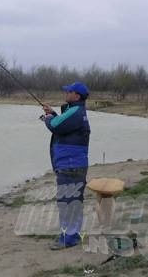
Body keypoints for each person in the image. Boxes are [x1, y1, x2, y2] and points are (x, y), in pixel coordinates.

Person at [42, 82, 90, 250]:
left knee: (67, 201)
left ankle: (68, 239)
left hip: (70, 165)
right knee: (74, 200)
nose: (66, 93)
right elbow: (63, 126)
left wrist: (48, 118)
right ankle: (73, 235)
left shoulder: (75, 112)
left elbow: (55, 126)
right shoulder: (75, 111)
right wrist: (53, 114)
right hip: (74, 165)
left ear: (77, 96)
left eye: (69, 91)